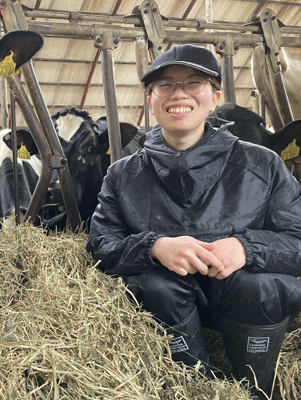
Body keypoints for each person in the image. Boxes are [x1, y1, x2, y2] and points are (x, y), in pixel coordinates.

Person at [86, 44, 301, 400]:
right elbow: (99, 245)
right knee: (155, 286)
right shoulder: (122, 174)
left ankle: (258, 388)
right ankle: (195, 387)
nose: (179, 94)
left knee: (261, 285)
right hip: (166, 312)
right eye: (165, 85)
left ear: (215, 97)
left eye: (194, 82)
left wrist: (246, 248)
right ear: (151, 99)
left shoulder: (262, 164)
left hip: (248, 308)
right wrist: (155, 246)